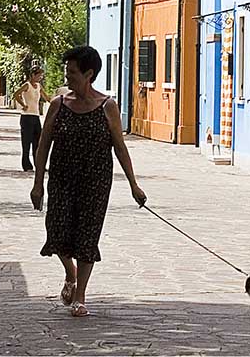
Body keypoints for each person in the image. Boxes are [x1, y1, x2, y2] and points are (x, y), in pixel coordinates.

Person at [31, 46, 147, 317]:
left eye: (72, 72)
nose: (67, 76)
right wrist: (38, 183)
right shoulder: (58, 105)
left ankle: (80, 295)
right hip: (61, 179)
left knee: (87, 235)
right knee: (57, 231)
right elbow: (43, 144)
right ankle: (69, 271)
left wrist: (133, 185)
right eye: (66, 71)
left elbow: (119, 147)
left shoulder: (107, 106)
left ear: (89, 74)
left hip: (95, 182)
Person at [13, 65, 46, 171]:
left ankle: (39, 165)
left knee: (37, 142)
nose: (40, 78)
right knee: (26, 142)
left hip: (36, 116)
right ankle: (26, 165)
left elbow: (46, 97)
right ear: (33, 75)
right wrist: (23, 104)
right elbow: (16, 94)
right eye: (38, 75)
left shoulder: (39, 86)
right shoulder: (27, 85)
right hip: (26, 117)